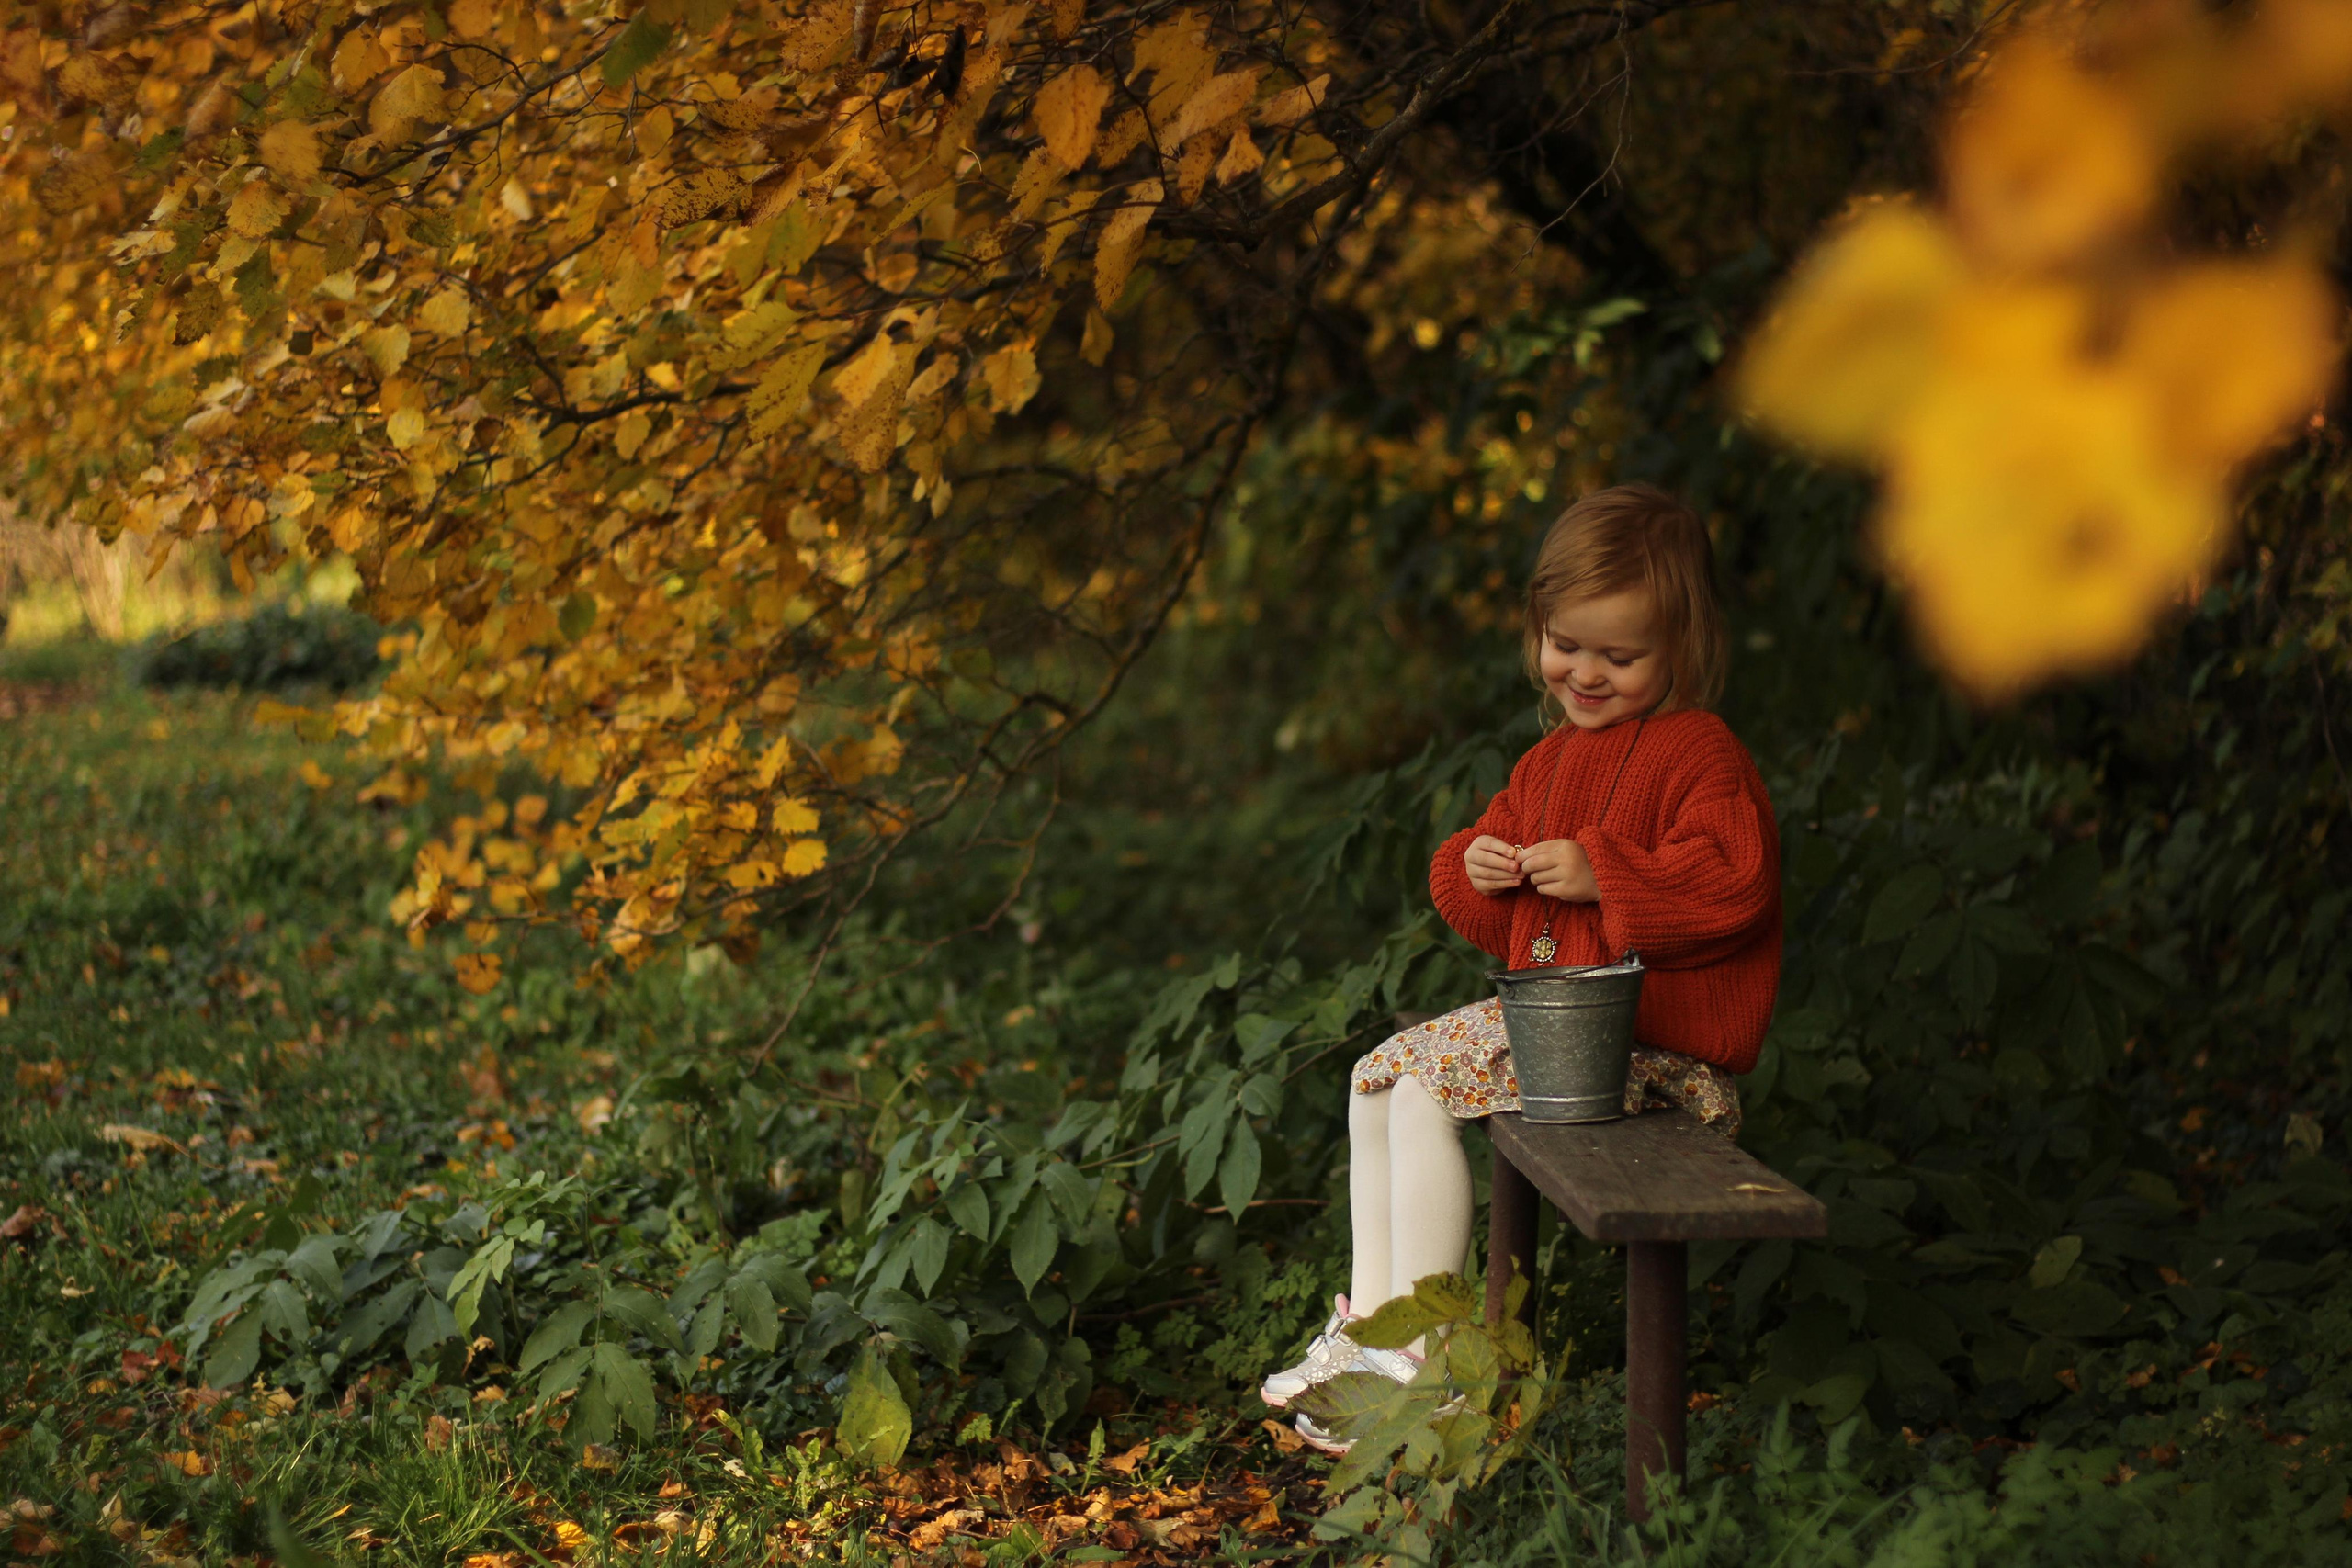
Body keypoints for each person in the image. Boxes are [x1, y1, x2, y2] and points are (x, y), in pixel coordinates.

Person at [1260, 482, 1784, 1452]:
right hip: (1555, 1040)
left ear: (1682, 646)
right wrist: (1474, 866)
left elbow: (1735, 883)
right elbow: (1489, 912)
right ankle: (1369, 1333)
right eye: (1565, 644)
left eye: (1619, 656)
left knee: (1425, 1094)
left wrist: (1606, 875)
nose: (1585, 672)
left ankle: (1428, 1362)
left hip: (1651, 1054)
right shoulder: (1546, 764)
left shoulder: (1700, 753)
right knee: (1374, 1078)